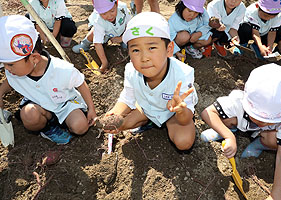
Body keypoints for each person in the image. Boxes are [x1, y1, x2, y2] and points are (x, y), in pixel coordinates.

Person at [102, 12, 198, 151]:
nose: (144, 57)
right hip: (146, 108)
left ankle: (161, 122)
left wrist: (181, 110)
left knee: (184, 142)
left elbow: (185, 117)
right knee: (119, 124)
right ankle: (147, 120)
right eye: (135, 50)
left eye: (152, 48)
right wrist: (115, 114)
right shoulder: (131, 70)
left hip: (173, 114)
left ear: (169, 49)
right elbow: (127, 98)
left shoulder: (182, 74)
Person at [201, 64, 281, 199]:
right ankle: (228, 129)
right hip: (240, 122)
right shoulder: (238, 102)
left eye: (269, 120)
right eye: (258, 117)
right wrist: (229, 137)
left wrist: (275, 196)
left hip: (263, 134)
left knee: (277, 139)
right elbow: (208, 113)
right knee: (228, 117)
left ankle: (260, 143)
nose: (263, 123)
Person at [0, 15, 97, 144]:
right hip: (38, 105)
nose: (7, 69)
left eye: (10, 64)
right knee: (29, 115)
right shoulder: (15, 72)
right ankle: (48, 129)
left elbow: (80, 83)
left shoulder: (61, 70)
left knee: (80, 127)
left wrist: (91, 108)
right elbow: (10, 82)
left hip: (65, 104)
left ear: (34, 58)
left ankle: (65, 123)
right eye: (4, 64)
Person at [72, 0, 131, 73]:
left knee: (127, 47)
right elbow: (97, 43)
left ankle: (123, 41)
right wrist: (104, 63)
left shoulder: (123, 8)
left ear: (116, 4)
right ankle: (85, 44)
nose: (109, 16)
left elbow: (130, 25)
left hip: (122, 31)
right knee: (93, 34)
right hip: (106, 33)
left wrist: (122, 38)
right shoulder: (98, 20)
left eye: (112, 11)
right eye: (104, 13)